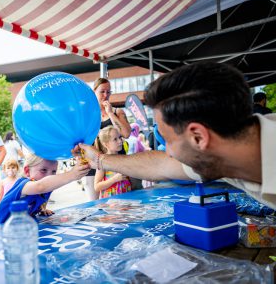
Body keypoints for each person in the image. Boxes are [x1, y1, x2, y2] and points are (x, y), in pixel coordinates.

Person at [73, 62, 276, 210]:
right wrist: (99, 160)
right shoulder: (219, 153)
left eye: (168, 140)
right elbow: (159, 165)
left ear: (198, 137)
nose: (168, 151)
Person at [0, 153, 90, 224]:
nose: (49, 175)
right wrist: (72, 174)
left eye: (53, 172)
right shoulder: (24, 184)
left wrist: (41, 208)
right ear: (27, 171)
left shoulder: (46, 188)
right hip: (2, 230)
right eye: (43, 170)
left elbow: (41, 194)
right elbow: (40, 186)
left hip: (20, 230)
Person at [83, 78, 132, 201]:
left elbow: (126, 134)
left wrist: (110, 113)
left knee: (125, 200)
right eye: (102, 91)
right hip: (94, 164)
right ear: (94, 91)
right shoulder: (87, 115)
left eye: (109, 92)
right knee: (94, 204)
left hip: (117, 161)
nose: (106, 95)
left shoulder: (117, 111)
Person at [94, 126, 131, 198]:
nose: (120, 141)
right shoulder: (103, 161)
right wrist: (114, 179)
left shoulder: (123, 158)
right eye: (115, 139)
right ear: (106, 144)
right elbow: (97, 187)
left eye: (120, 137)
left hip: (127, 199)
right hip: (112, 203)